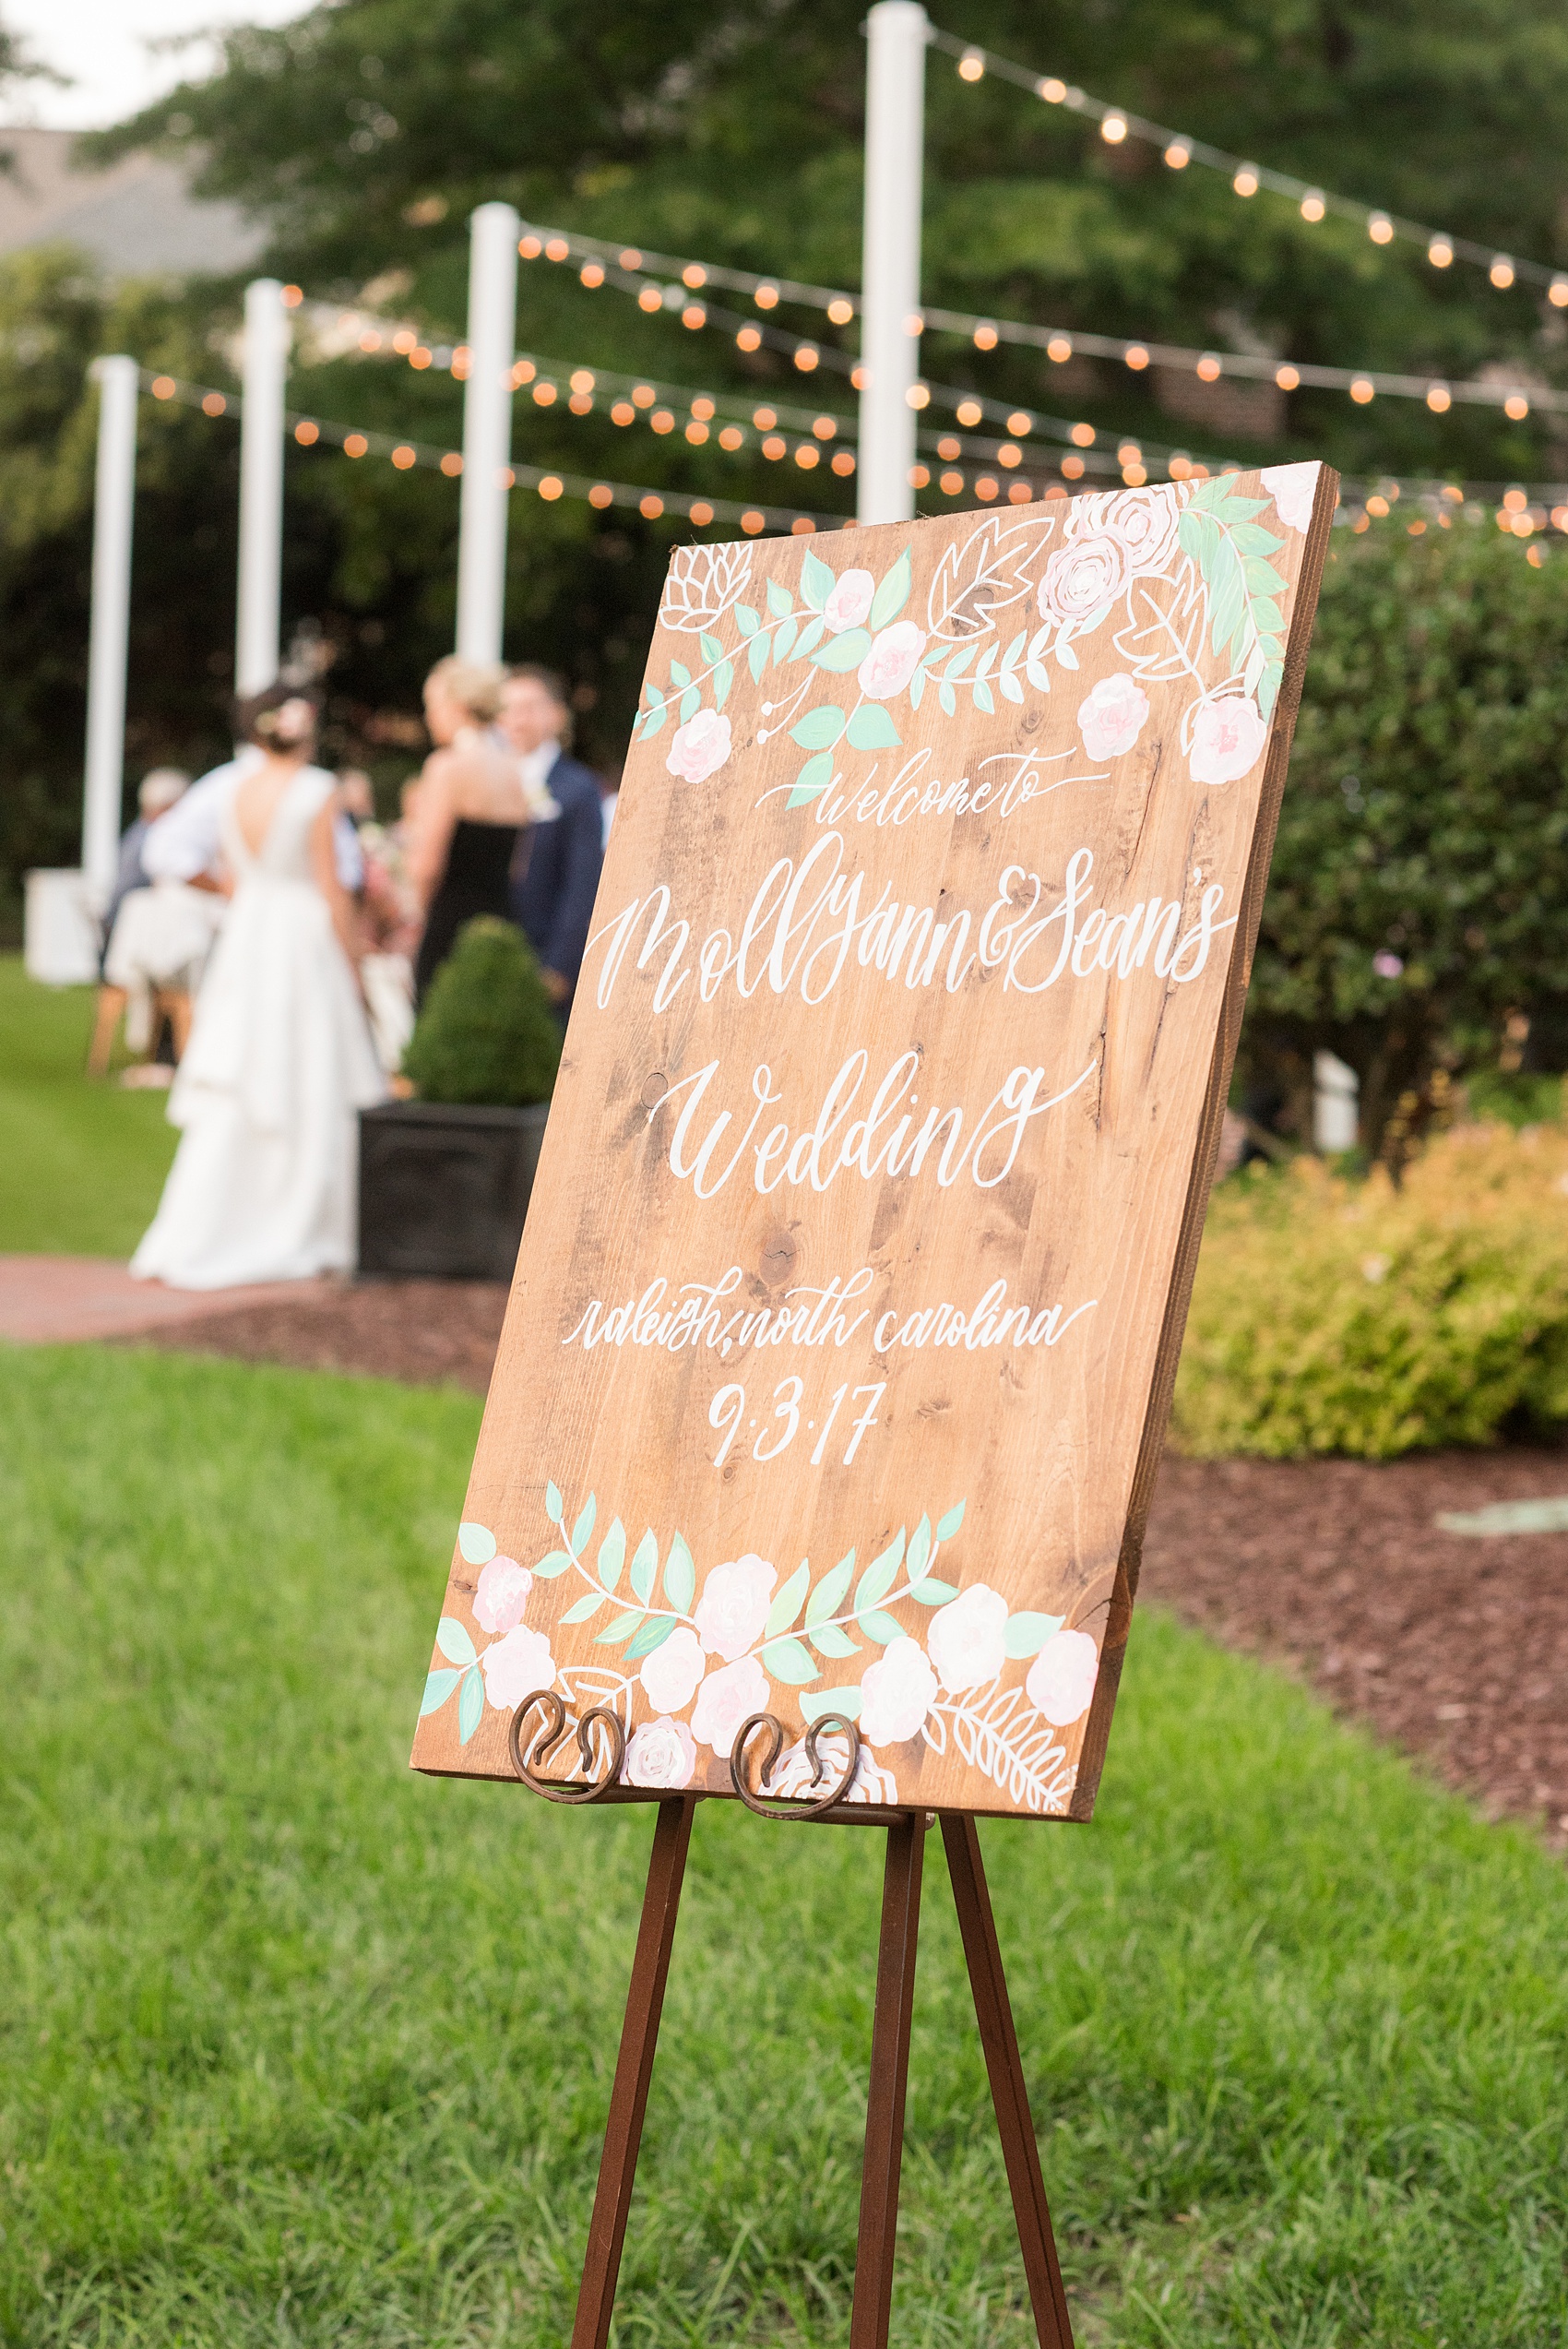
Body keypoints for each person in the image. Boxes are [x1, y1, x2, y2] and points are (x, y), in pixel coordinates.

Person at [131, 687, 386, 1290]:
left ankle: (209, 1226)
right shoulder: (317, 789)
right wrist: (354, 969)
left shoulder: (230, 788)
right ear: (300, 730)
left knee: (246, 1072)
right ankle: (305, 1225)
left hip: (250, 935)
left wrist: (238, 896)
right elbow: (334, 885)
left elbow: (215, 862)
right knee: (309, 1071)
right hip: (301, 937)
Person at [405, 656, 533, 1005]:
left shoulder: (446, 768)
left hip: (450, 927)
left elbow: (427, 865)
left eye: (432, 705)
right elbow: (518, 866)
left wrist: (418, 920)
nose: (429, 717)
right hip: (502, 923)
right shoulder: (515, 771)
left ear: (456, 707)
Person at [500, 665, 605, 1012]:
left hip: (545, 955)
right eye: (508, 708)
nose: (517, 719)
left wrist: (560, 965)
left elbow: (583, 883)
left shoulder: (578, 789)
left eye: (529, 708)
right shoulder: (487, 781)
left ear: (556, 716)